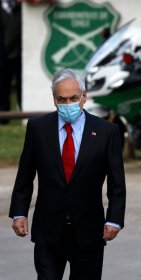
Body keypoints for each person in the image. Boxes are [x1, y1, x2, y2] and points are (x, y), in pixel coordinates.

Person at [9, 68, 126, 280]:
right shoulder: (38, 128)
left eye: (73, 98)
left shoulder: (107, 132)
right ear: (54, 100)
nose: (67, 104)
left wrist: (115, 219)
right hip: (48, 230)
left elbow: (117, 183)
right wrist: (19, 212)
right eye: (61, 99)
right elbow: (25, 174)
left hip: (89, 231)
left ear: (84, 97)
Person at [0, 0, 22, 124]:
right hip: (3, 55)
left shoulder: (24, 6)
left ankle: (25, 115)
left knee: (22, 88)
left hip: (21, 55)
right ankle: (3, 118)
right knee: (2, 87)